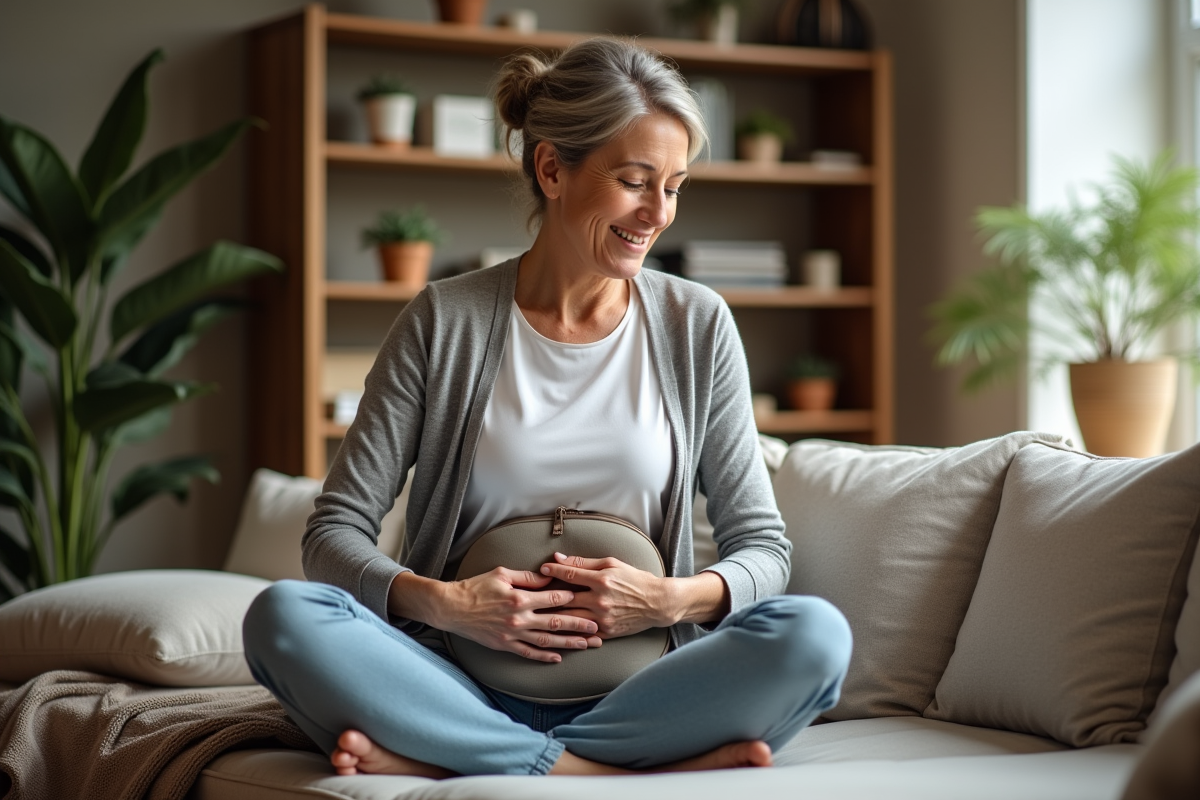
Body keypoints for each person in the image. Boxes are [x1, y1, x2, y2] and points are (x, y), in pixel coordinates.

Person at [243, 36, 852, 779]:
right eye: (634, 181)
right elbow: (334, 533)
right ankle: (587, 771)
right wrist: (447, 604)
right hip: (452, 679)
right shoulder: (444, 320)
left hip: (640, 686)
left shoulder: (697, 324)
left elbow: (764, 549)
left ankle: (451, 758)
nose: (658, 213)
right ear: (552, 168)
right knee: (282, 616)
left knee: (814, 635)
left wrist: (664, 601)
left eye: (675, 185)